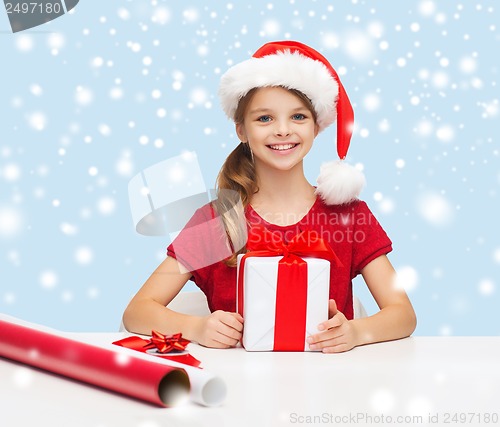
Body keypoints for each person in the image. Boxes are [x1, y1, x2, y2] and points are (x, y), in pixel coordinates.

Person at [123, 41, 416, 353]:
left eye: (298, 117)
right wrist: (196, 327)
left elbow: (403, 314)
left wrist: (356, 332)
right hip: (238, 386)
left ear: (317, 127)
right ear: (241, 129)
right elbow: (138, 311)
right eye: (264, 118)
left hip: (330, 386)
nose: (282, 130)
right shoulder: (217, 221)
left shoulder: (349, 215)